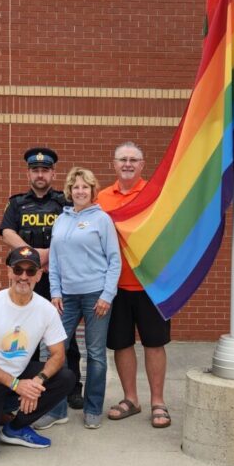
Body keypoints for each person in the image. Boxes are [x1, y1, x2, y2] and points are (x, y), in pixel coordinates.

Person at [0, 247, 76, 463]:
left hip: (17, 376)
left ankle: (15, 428)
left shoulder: (45, 309)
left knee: (65, 377)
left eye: (31, 271)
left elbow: (58, 354)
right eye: (18, 270)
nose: (24, 276)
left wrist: (37, 383)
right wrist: (17, 385)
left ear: (39, 275)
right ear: (9, 272)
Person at [0, 147, 84, 409]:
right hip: (27, 277)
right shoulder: (17, 203)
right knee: (27, 333)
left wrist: (49, 256)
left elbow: (76, 232)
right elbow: (6, 232)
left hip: (58, 280)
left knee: (64, 336)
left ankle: (72, 388)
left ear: (53, 173)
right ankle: (27, 384)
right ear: (29, 174)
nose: (40, 174)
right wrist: (35, 258)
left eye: (45, 170)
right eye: (35, 170)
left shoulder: (64, 202)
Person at [36, 167, 121, 430]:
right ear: (69, 191)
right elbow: (55, 261)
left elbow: (114, 260)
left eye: (85, 187)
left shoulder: (102, 219)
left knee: (95, 353)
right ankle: (56, 409)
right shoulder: (61, 220)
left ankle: (93, 408)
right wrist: (56, 292)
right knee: (53, 350)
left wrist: (107, 294)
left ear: (92, 191)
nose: (80, 191)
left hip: (96, 295)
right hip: (66, 298)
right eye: (76, 187)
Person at [96, 142, 172, 428]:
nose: (127, 164)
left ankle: (157, 402)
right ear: (113, 164)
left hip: (151, 285)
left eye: (133, 160)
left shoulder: (155, 195)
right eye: (122, 159)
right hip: (113, 287)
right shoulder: (100, 198)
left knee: (154, 344)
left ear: (143, 165)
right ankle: (131, 399)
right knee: (122, 344)